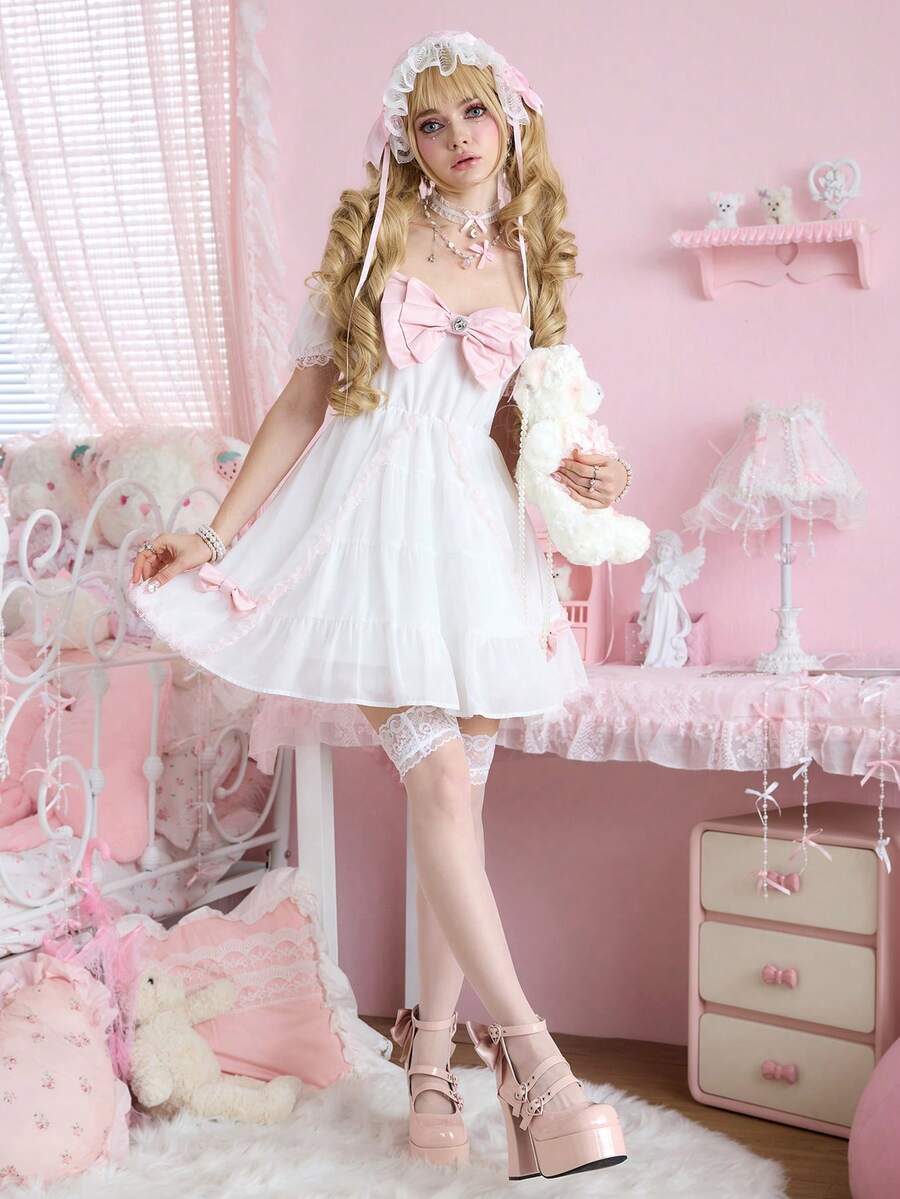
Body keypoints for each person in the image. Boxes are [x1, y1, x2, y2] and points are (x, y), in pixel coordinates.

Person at [128, 29, 631, 1181]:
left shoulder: (530, 259)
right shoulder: (374, 239)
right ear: (406, 141)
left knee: (459, 810)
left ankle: (432, 1062)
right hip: (370, 540)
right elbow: (304, 405)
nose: (456, 140)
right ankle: (538, 1064)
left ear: (510, 121)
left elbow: (529, 429)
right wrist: (218, 533)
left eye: (474, 114)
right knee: (440, 784)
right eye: (430, 123)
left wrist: (592, 477)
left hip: (479, 550)